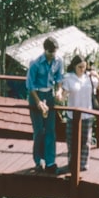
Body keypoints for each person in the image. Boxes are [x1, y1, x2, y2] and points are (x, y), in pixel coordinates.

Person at [26, 37, 64, 173]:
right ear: (45, 50)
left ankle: (50, 161)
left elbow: (59, 78)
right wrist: (38, 102)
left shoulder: (59, 61)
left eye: (54, 52)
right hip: (36, 95)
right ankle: (38, 160)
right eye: (50, 52)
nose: (52, 54)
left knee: (50, 130)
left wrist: (59, 91)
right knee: (39, 130)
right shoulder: (35, 63)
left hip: (49, 95)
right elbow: (30, 85)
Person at [61, 54, 99, 171]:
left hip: (87, 113)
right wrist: (60, 94)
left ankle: (83, 164)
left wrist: (97, 75)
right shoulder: (68, 78)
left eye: (84, 67)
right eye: (80, 67)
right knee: (71, 140)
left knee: (86, 140)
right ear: (74, 66)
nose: (82, 69)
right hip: (72, 115)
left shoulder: (89, 77)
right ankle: (72, 163)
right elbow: (63, 95)